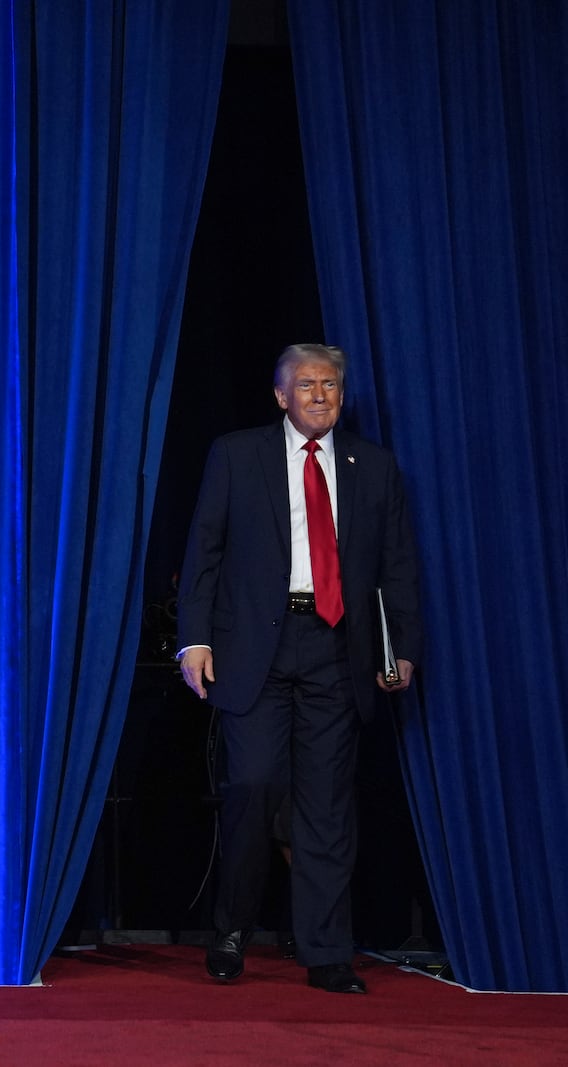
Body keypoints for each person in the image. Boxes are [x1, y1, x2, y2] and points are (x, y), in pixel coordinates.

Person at [176, 343, 421, 995]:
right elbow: (203, 550)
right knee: (253, 785)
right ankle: (231, 928)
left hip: (339, 647)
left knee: (327, 804)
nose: (320, 395)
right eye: (307, 384)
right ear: (281, 395)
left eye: (331, 385)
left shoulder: (373, 467)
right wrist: (193, 640)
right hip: (255, 644)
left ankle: (325, 949)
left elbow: (397, 566)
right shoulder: (236, 453)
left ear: (343, 396)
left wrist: (400, 648)